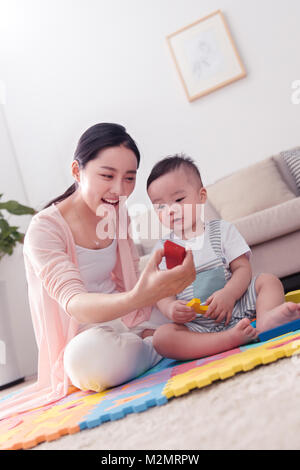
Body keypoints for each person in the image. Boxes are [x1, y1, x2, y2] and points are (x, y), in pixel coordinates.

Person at [0, 124, 196, 421]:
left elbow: (131, 276)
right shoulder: (44, 229)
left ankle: (160, 338)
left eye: (129, 178)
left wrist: (164, 293)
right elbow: (75, 303)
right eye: (107, 175)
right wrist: (139, 297)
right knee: (86, 361)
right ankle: (158, 343)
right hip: (85, 334)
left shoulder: (116, 212)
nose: (120, 190)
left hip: (127, 315)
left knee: (192, 305)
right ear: (77, 171)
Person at [146, 154, 300, 361]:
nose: (170, 210)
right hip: (197, 324)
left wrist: (229, 294)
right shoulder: (165, 248)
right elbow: (162, 291)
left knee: (268, 280)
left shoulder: (221, 230)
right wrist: (170, 308)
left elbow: (243, 269)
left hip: (238, 307)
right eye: (160, 206)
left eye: (179, 200)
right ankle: (226, 340)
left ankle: (266, 320)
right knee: (162, 338)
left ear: (201, 197)